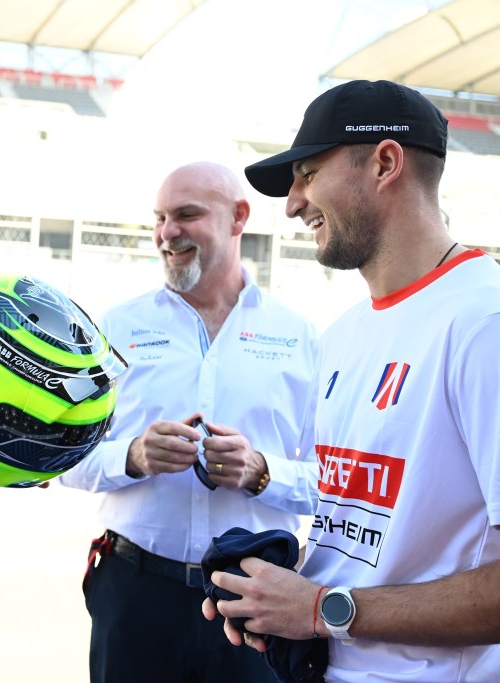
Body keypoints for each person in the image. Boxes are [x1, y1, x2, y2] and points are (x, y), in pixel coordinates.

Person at [203, 79, 500, 682]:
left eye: (308, 173)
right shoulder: (341, 334)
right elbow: (361, 528)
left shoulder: (482, 322)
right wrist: (279, 592)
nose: (291, 203)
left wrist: (320, 610)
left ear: (386, 163)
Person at [59, 161, 321, 682]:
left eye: (187, 215)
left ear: (238, 217)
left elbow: (336, 483)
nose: (166, 232)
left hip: (254, 598)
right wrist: (132, 457)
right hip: (135, 593)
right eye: (160, 217)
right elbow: (65, 458)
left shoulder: (299, 337)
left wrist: (260, 471)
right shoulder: (115, 327)